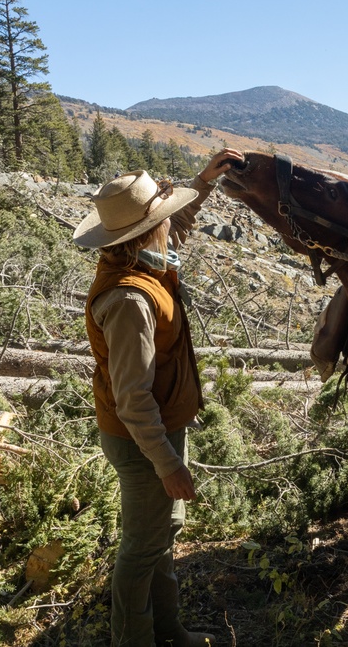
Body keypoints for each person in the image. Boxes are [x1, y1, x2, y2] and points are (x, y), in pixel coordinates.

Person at [74, 148, 244, 647]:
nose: (170, 224)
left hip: (153, 432)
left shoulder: (142, 261)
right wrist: (168, 463)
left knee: (160, 538)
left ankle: (167, 630)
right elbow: (132, 398)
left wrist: (203, 183)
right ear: (148, 232)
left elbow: (174, 231)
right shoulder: (130, 300)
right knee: (142, 548)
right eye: (162, 219)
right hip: (141, 438)